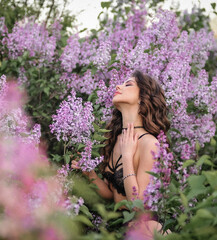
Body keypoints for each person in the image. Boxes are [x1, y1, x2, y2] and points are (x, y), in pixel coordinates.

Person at [71, 70, 171, 238]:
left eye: (128, 84)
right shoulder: (116, 139)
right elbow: (112, 194)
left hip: (146, 230)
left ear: (143, 97)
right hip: (122, 229)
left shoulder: (151, 144)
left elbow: (138, 205)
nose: (118, 86)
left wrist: (126, 157)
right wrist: (89, 172)